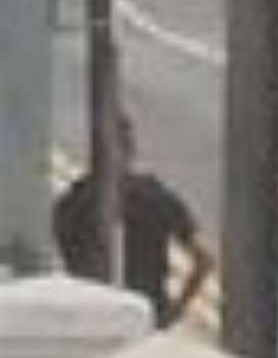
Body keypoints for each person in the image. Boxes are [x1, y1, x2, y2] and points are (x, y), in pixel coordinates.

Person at [53, 113, 213, 329]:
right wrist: (175, 309)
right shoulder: (156, 197)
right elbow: (204, 258)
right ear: (131, 150)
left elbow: (69, 264)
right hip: (146, 317)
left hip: (92, 319)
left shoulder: (71, 204)